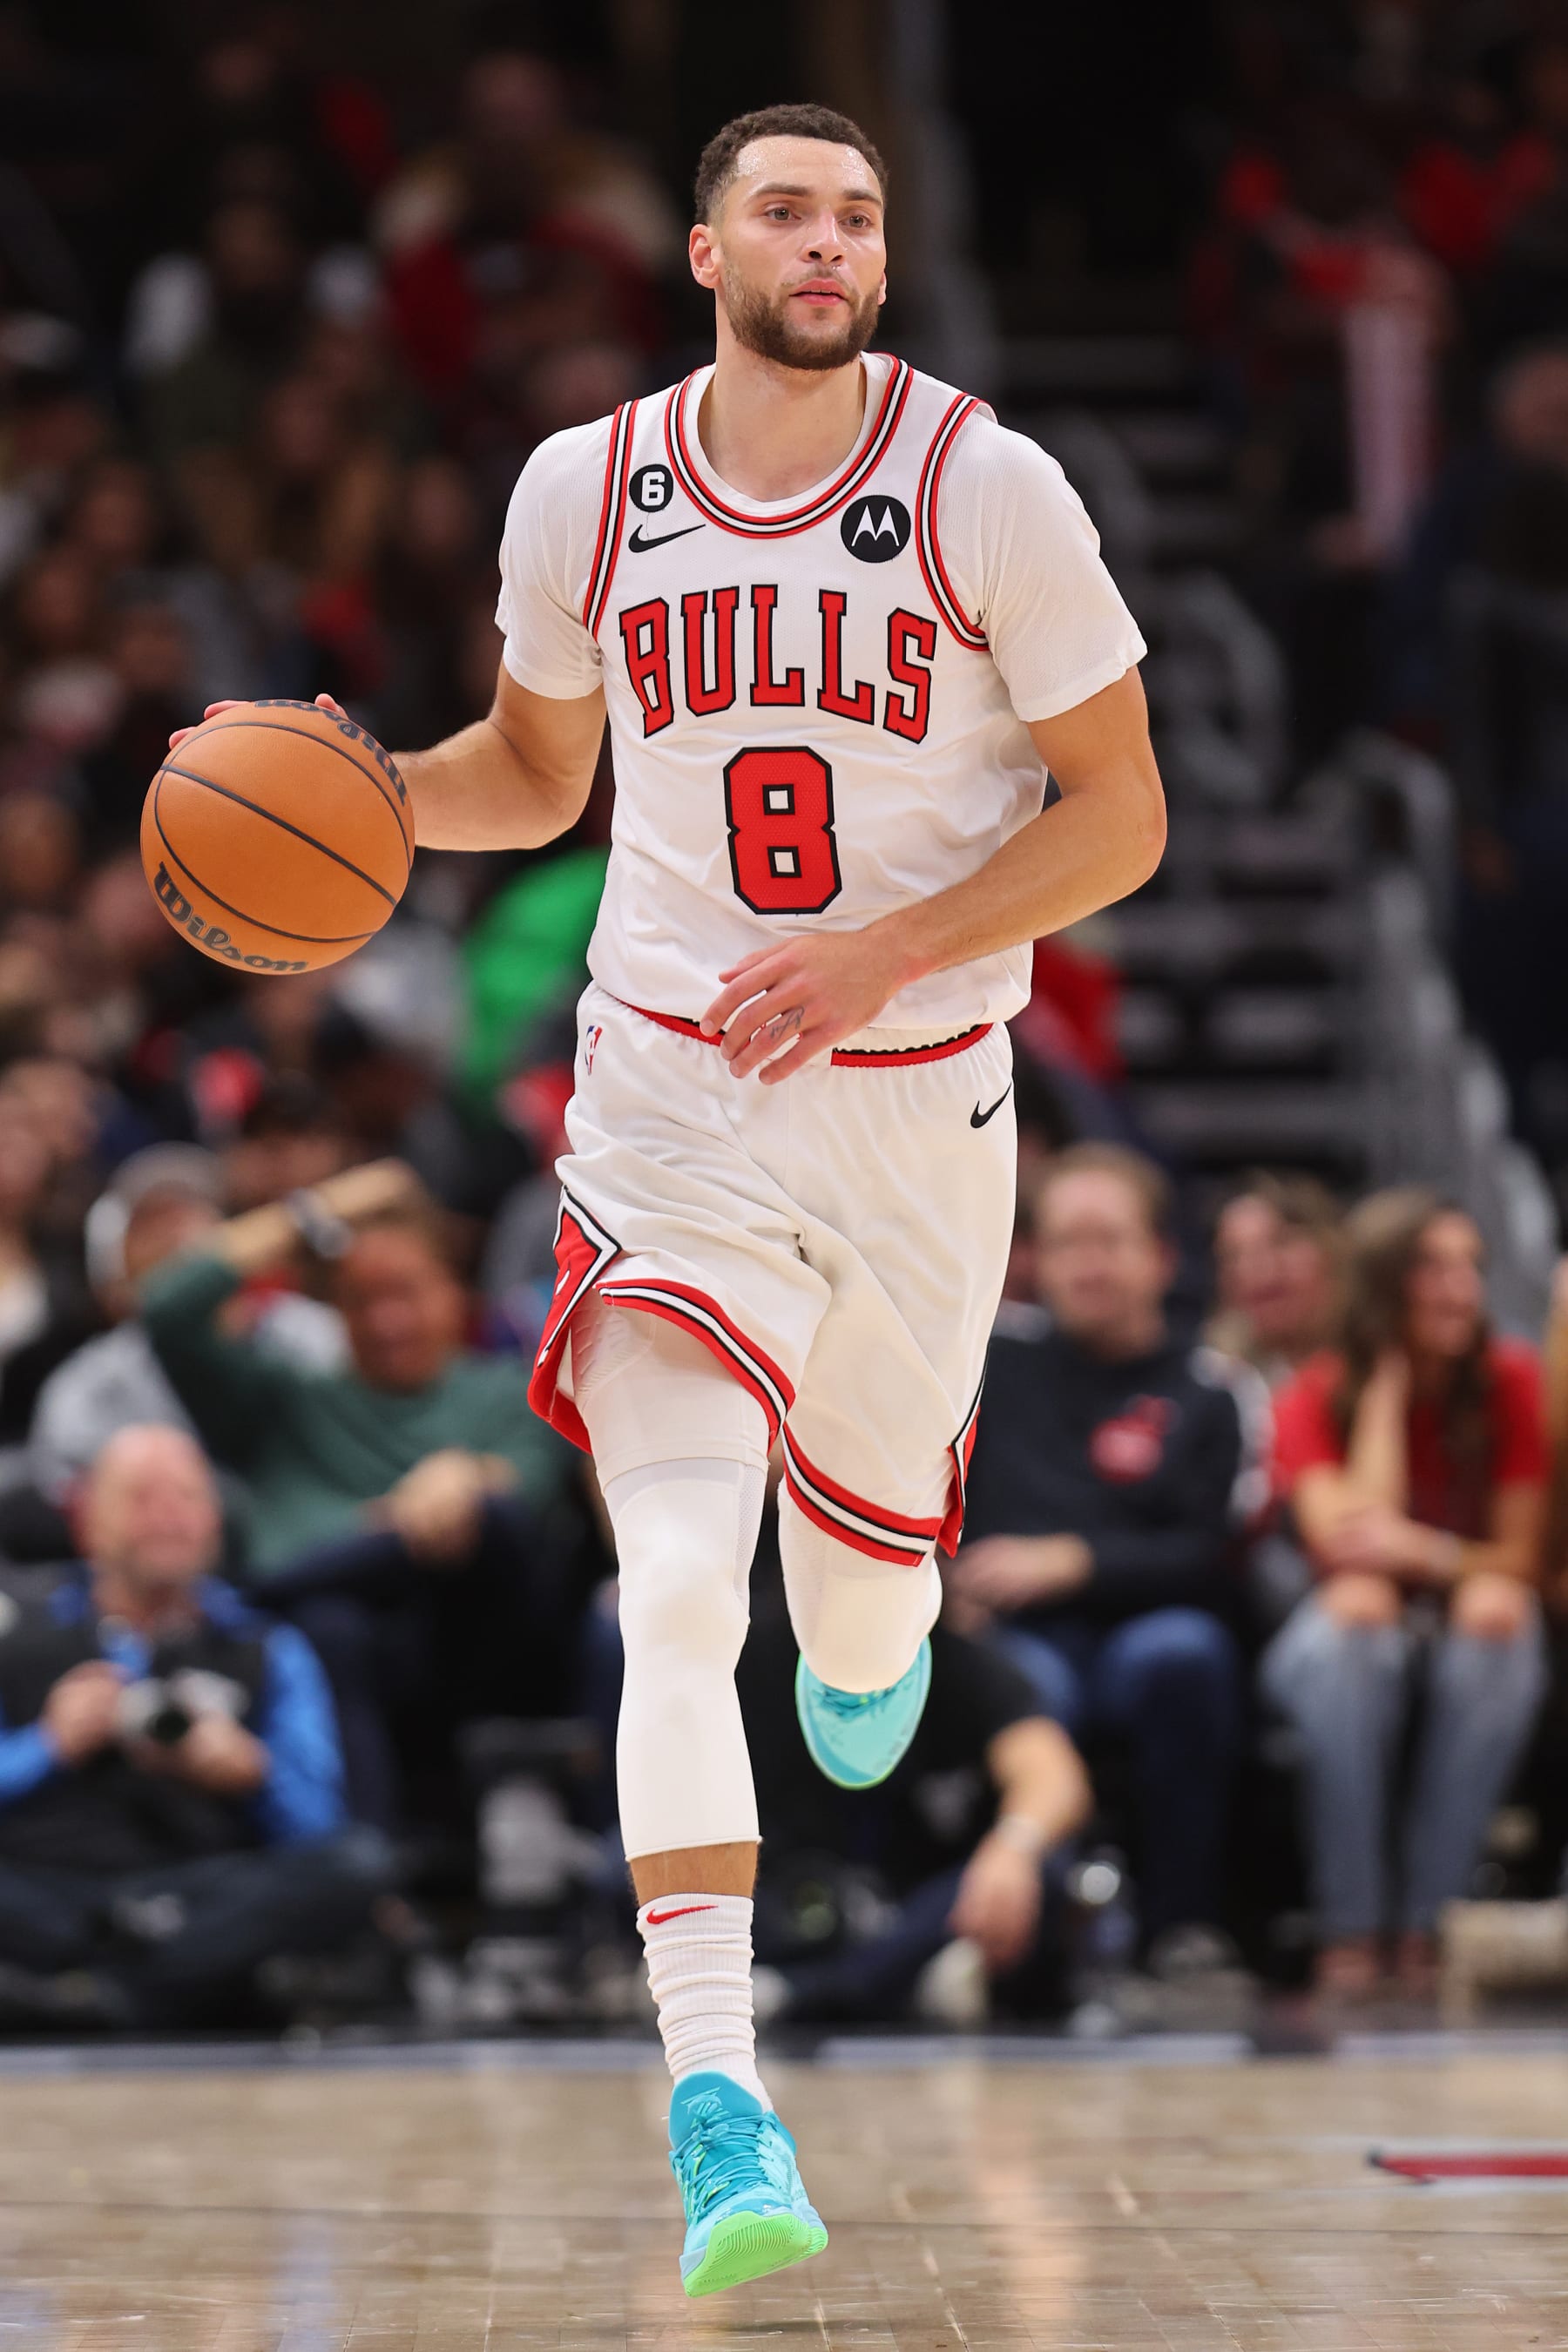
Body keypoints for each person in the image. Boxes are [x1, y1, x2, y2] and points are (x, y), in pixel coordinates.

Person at [170, 103, 1162, 2296]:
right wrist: (359, 797)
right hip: (673, 1098)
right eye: (790, 210)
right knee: (680, 1585)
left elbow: (1125, 818)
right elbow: (538, 773)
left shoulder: (985, 483)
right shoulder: (586, 486)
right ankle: (717, 2090)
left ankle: (875, 1621)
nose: (830, 241)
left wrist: (887, 955)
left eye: (862, 215)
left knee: (866, 1627)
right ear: (705, 246)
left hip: (915, 1108)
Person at [138, 1159, 584, 1833]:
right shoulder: (284, 1402)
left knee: (493, 1525)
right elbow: (168, 1306)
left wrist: (466, 1475)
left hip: (476, 1652)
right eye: (360, 1301)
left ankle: (269, 1587)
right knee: (330, 1627)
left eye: (405, 1293)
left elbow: (529, 1499)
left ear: (455, 1292)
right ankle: (364, 1871)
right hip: (334, 1664)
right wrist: (321, 1210)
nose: (386, 1321)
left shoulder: (508, 1393)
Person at [952, 1145, 1267, 1970]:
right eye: (1066, 1243)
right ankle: (1018, 1941)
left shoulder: (1207, 1390)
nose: (1086, 1264)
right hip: (1014, 1637)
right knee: (1017, 1685)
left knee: (1184, 1656)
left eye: (1108, 1240)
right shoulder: (985, 1369)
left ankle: (1181, 1928)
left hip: (1143, 1628)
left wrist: (1076, 1561)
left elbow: (1211, 1557)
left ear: (1161, 1257)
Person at [0, 1425, 388, 2029]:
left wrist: (249, 1772)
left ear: (215, 1522)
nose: (168, 1518)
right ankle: (152, 1995)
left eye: (186, 1498)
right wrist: (48, 1744)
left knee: (358, 1866)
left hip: (193, 1895)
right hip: (45, 1889)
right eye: (142, 1498)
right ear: (90, 1523)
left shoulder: (268, 1648)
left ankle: (78, 2000)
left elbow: (320, 1827)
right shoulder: (17, 1633)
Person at [1263, 1189, 1549, 2000]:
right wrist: (1386, 1382)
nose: (1461, 1289)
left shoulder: (1512, 1382)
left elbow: (1520, 1559)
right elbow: (1344, 1539)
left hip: (1459, 1627)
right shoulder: (1314, 1395)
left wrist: (1424, 1551)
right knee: (1358, 1610)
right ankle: (1352, 1926)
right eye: (1433, 1268)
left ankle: (1433, 1921)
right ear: (1383, 1284)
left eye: (1470, 1268)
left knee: (1499, 1612)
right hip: (1335, 1636)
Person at [734, 1557, 1090, 2025]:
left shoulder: (961, 1661)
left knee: (1045, 1870)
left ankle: (809, 1995)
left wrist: (1012, 1848)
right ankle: (901, 1985)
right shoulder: (756, 1651)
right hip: (798, 1897)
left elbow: (1054, 1774)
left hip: (925, 1903)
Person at [1207, 1172, 1342, 1391]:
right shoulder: (1215, 1381)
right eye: (1233, 1255)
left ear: (1331, 1248)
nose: (1258, 1268)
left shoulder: (1380, 1363)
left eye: (1281, 1242)